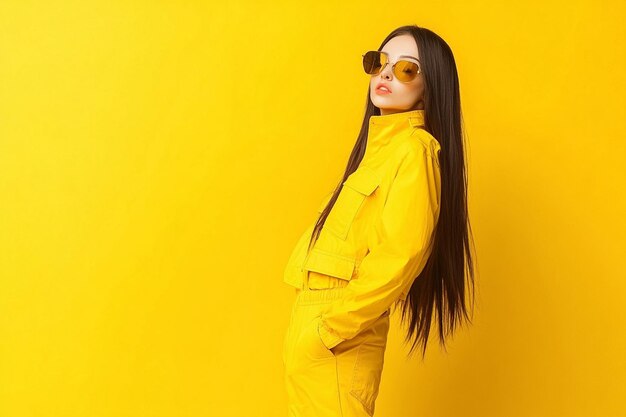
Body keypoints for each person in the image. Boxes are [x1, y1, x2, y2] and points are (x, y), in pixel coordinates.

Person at [281, 24, 476, 417]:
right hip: (313, 328)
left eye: (406, 68)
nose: (385, 73)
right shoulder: (376, 155)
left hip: (337, 335)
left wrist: (329, 329)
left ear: (430, 86)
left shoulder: (414, 152)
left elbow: (402, 254)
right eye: (378, 62)